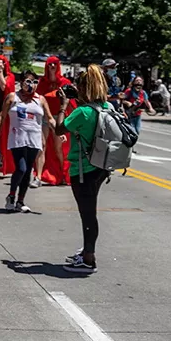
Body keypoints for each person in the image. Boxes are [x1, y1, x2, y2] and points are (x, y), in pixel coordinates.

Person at [57, 65, 111, 274]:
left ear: (85, 87)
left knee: (87, 214)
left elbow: (59, 129)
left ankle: (89, 258)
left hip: (82, 169)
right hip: (101, 166)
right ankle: (87, 251)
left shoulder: (81, 112)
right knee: (90, 212)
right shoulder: (106, 106)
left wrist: (63, 106)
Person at [0, 71, 57, 213]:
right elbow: (2, 115)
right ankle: (11, 196)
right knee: (21, 168)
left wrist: (58, 132)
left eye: (35, 82)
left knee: (28, 170)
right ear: (22, 82)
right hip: (17, 137)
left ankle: (20, 201)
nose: (31, 85)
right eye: (28, 81)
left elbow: (49, 118)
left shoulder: (40, 99)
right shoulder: (13, 97)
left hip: (34, 138)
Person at [34, 56, 73, 186]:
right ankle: (38, 177)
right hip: (44, 117)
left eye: (54, 64)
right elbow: (37, 99)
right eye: (50, 64)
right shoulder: (42, 82)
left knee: (58, 148)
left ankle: (63, 174)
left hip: (58, 118)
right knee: (41, 146)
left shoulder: (65, 82)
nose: (52, 67)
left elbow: (70, 101)